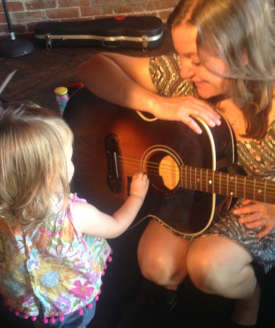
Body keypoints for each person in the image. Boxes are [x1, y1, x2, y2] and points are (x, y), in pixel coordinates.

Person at [76, 0, 275, 327]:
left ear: (244, 54)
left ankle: (250, 297)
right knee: (155, 265)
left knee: (208, 268)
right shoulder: (184, 80)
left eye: (196, 60)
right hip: (197, 186)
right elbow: (92, 68)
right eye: (181, 55)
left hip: (255, 199)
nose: (183, 71)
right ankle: (164, 299)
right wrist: (158, 103)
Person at [0, 104, 149, 328]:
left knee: (42, 321)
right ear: (50, 174)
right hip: (68, 305)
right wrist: (136, 196)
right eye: (68, 159)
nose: (73, 164)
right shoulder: (74, 214)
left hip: (30, 301)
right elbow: (117, 225)